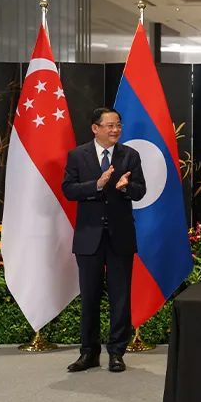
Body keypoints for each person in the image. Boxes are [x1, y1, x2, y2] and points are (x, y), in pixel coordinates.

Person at [61, 107, 146, 373]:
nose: (115, 130)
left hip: (120, 236)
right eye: (109, 125)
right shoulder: (78, 155)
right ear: (95, 128)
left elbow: (140, 190)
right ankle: (89, 353)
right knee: (89, 297)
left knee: (120, 297)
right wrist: (96, 185)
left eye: (118, 125)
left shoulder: (130, 155)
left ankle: (117, 352)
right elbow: (68, 189)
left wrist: (126, 188)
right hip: (89, 237)